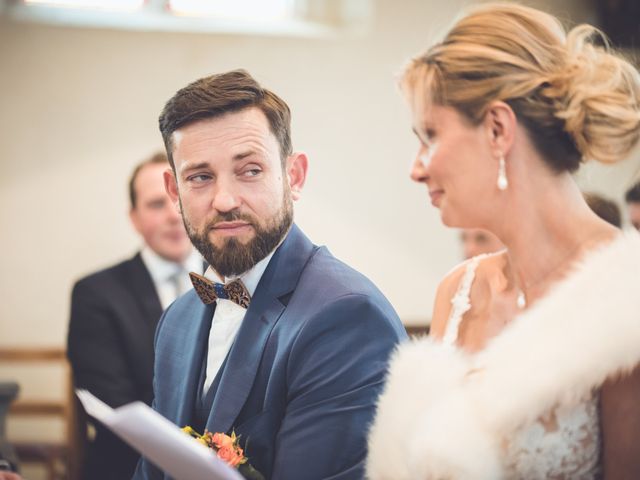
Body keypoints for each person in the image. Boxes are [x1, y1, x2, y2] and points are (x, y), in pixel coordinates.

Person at [367, 3, 640, 479]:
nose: (416, 167)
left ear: (497, 129)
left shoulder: (624, 294)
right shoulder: (458, 293)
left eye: (430, 135)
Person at [132, 70, 406, 480]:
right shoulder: (177, 320)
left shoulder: (348, 317)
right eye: (200, 177)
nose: (225, 200)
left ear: (293, 176)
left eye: (250, 170)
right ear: (175, 191)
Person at [67, 152, 201, 480]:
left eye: (180, 200)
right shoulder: (97, 292)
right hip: (128, 466)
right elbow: (112, 404)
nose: (174, 214)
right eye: (157, 204)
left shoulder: (232, 282)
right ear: (134, 218)